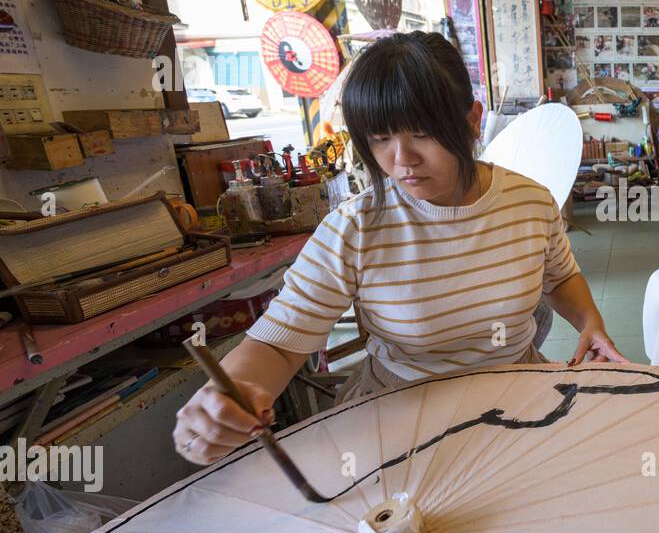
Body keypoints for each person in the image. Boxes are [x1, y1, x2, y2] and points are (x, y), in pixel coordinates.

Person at [173, 32, 624, 466]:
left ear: (471, 120)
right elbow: (281, 344)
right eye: (380, 138)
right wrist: (231, 391)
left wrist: (592, 322)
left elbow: (560, 276)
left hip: (516, 389)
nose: (401, 160)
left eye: (422, 134)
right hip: (400, 407)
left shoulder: (529, 201)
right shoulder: (356, 228)